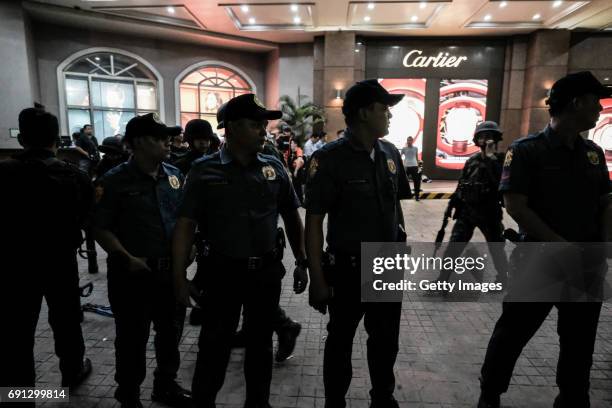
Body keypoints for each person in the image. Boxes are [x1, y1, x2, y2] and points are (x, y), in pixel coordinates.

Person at [477, 71, 612, 408]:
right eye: (595, 101)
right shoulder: (527, 151)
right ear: (576, 103)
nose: (600, 107)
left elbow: (606, 201)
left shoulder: (593, 153)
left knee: (580, 343)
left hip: (585, 266)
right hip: (538, 262)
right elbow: (515, 205)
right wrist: (557, 244)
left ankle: (572, 397)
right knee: (512, 335)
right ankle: (490, 394)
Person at [172, 93, 309, 408]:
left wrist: (302, 261)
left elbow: (291, 214)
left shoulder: (273, 166)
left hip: (265, 273)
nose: (264, 131)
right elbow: (184, 225)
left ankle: (258, 404)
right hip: (221, 274)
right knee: (214, 347)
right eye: (255, 125)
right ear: (231, 128)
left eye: (264, 125)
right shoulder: (203, 171)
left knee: (259, 345)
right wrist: (179, 277)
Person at [305, 79, 412, 408]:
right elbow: (313, 222)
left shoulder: (390, 152)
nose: (389, 116)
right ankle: (334, 401)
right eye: (384, 109)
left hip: (385, 263)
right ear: (365, 113)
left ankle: (383, 397)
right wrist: (317, 279)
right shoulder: (329, 159)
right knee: (340, 340)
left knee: (385, 342)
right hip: (348, 266)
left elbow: (397, 208)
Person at [93, 113, 191, 408]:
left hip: (169, 273)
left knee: (170, 333)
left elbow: (184, 220)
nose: (168, 142)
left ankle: (165, 385)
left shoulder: (174, 175)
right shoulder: (113, 181)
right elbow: (99, 227)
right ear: (137, 143)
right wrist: (125, 257)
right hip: (132, 275)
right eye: (158, 138)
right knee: (132, 339)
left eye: (168, 137)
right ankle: (129, 394)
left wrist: (190, 247)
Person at [0, 104, 92, 404]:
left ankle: (22, 393)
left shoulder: (4, 172)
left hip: (15, 263)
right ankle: (72, 373)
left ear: (22, 139)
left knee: (16, 329)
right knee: (66, 320)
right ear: (56, 140)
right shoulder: (73, 175)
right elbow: (87, 216)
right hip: (60, 260)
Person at [436, 121, 509, 285]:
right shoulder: (472, 160)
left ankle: (503, 278)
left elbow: (500, 182)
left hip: (489, 212)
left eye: (489, 136)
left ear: (496, 139)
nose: (485, 139)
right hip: (467, 212)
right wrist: (452, 205)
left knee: (496, 247)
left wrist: (490, 158)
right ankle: (442, 281)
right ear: (477, 139)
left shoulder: (501, 160)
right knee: (453, 248)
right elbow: (461, 183)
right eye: (482, 136)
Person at [400, 136, 420, 201]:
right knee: (404, 181)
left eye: (410, 140)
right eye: (408, 140)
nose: (409, 141)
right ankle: (403, 194)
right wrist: (402, 165)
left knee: (416, 181)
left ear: (412, 141)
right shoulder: (404, 148)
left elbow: (416, 157)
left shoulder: (415, 148)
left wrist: (418, 166)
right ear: (407, 141)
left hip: (414, 166)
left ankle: (417, 196)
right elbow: (399, 157)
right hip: (406, 166)